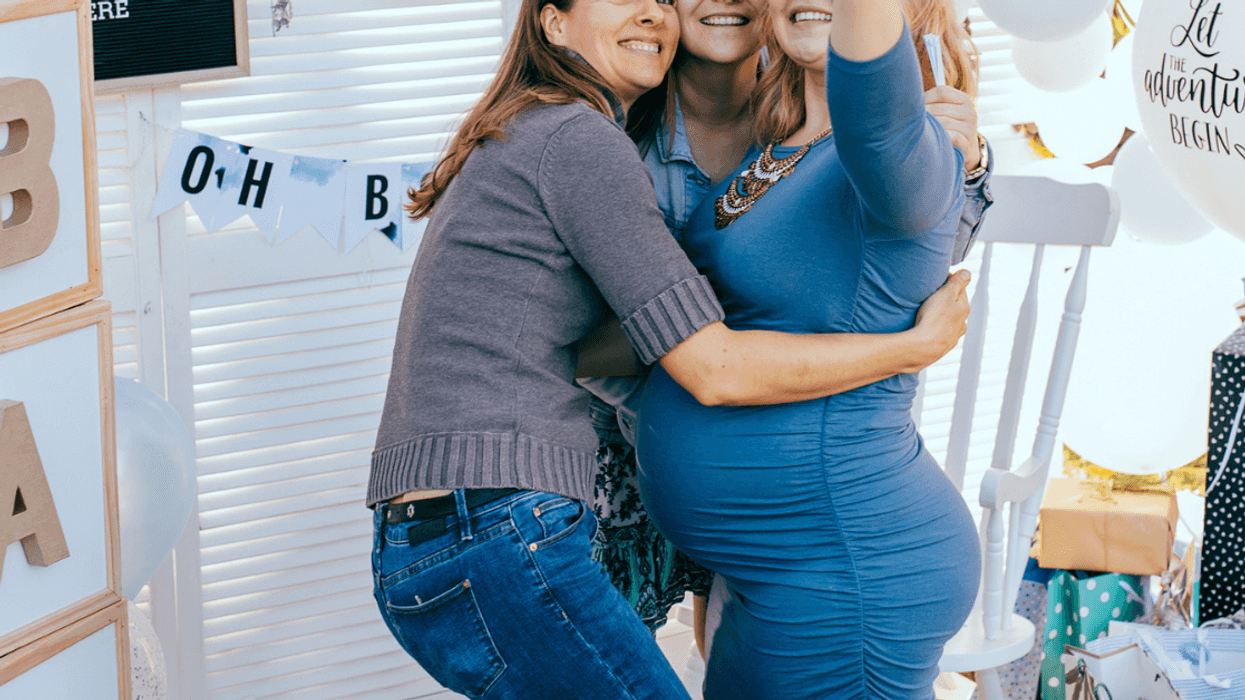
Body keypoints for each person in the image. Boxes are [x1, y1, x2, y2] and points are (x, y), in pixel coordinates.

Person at [370, 0, 972, 697]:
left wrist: (968, 167)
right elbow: (707, 364)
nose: (652, 14)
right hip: (495, 523)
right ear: (552, 22)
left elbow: (878, 115)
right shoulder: (583, 137)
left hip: (832, 556)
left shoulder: (881, 148)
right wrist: (910, 348)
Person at [586, 0, 992, 648]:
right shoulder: (626, 135)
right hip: (651, 466)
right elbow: (595, 341)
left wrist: (966, 168)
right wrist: (908, 348)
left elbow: (904, 245)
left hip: (811, 518)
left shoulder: (852, 113)